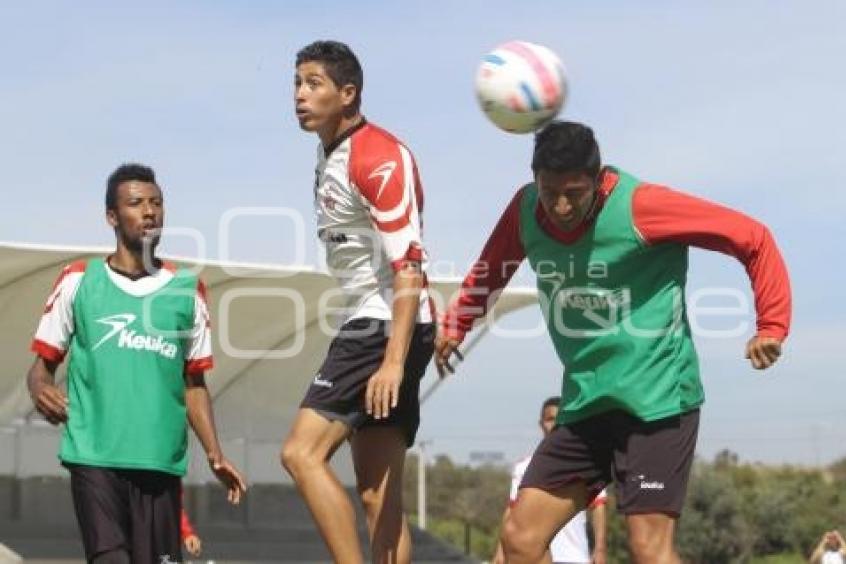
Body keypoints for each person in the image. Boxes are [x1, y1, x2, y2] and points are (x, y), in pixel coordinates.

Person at [436, 121, 791, 564]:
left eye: (575, 193)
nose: (561, 206)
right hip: (587, 403)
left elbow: (753, 238)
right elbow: (492, 268)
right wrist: (455, 324)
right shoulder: (526, 210)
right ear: (535, 181)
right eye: (550, 192)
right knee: (520, 538)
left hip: (658, 401)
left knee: (649, 548)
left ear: (599, 180)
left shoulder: (641, 207)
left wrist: (771, 325)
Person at [27, 163, 247, 564]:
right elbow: (42, 365)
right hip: (93, 456)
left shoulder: (187, 290)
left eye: (157, 203)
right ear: (112, 216)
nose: (149, 212)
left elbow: (194, 384)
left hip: (160, 461)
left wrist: (215, 454)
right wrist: (41, 388)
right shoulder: (78, 280)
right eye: (136, 203)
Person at [280, 41, 435, 564]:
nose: (300, 94)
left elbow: (409, 266)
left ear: (348, 94)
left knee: (301, 453)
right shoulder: (330, 151)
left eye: (314, 83)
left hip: (383, 324)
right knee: (377, 496)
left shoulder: (377, 154)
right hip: (378, 322)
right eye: (297, 83)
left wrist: (393, 359)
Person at [493, 397, 607, 564]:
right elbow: (512, 510)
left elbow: (599, 507)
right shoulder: (523, 467)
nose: (553, 424)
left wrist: (600, 548)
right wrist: (501, 549)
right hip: (536, 556)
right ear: (541, 424)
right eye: (549, 419)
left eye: (558, 418)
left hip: (575, 556)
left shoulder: (584, 463)